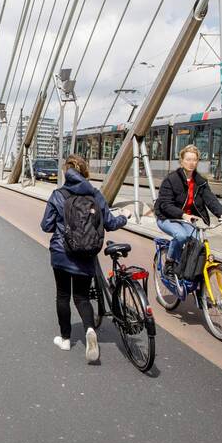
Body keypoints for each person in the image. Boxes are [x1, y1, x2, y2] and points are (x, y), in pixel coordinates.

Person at [41, 154, 130, 363]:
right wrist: (125, 216)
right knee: (81, 296)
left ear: (66, 172)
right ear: (85, 172)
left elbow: (45, 226)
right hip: (86, 253)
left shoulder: (58, 194)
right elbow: (109, 223)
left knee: (63, 295)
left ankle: (65, 339)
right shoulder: (95, 194)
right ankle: (90, 329)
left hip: (62, 253)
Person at [155, 144, 222, 278]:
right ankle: (170, 263)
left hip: (186, 219)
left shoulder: (200, 182)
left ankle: (187, 270)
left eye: (194, 160)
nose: (191, 163)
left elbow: (210, 199)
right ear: (182, 161)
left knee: (196, 242)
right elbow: (165, 204)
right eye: (188, 159)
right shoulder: (171, 179)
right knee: (181, 236)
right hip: (167, 217)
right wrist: (183, 215)